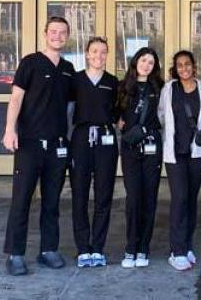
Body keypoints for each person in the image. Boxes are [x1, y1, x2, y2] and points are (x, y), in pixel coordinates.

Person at [2, 16, 75, 276]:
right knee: (21, 199)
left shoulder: (68, 68)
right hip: (30, 143)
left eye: (62, 32)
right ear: (45, 34)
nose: (57, 36)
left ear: (68, 35)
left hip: (57, 146)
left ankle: (48, 250)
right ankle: (15, 254)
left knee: (52, 200)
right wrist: (10, 130)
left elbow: (69, 109)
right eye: (53, 31)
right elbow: (16, 98)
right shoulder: (30, 63)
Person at [158, 50, 201, 271]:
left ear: (194, 66)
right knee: (179, 198)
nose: (184, 68)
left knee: (191, 198)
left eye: (187, 64)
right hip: (175, 152)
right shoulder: (168, 88)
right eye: (179, 65)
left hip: (197, 153)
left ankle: (187, 244)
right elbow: (161, 114)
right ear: (175, 68)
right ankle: (177, 250)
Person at [69, 37, 119, 268]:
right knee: (79, 194)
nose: (99, 56)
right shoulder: (75, 80)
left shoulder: (113, 81)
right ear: (87, 54)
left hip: (106, 141)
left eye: (103, 52)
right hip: (80, 140)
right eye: (94, 51)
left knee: (103, 195)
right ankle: (83, 249)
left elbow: (120, 114)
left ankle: (98, 248)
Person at [117, 47, 164, 269]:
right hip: (130, 147)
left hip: (152, 145)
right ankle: (130, 247)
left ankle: (144, 247)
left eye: (151, 62)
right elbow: (113, 112)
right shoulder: (123, 87)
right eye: (143, 60)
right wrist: (118, 122)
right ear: (136, 62)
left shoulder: (160, 88)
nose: (147, 65)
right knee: (133, 198)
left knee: (149, 198)